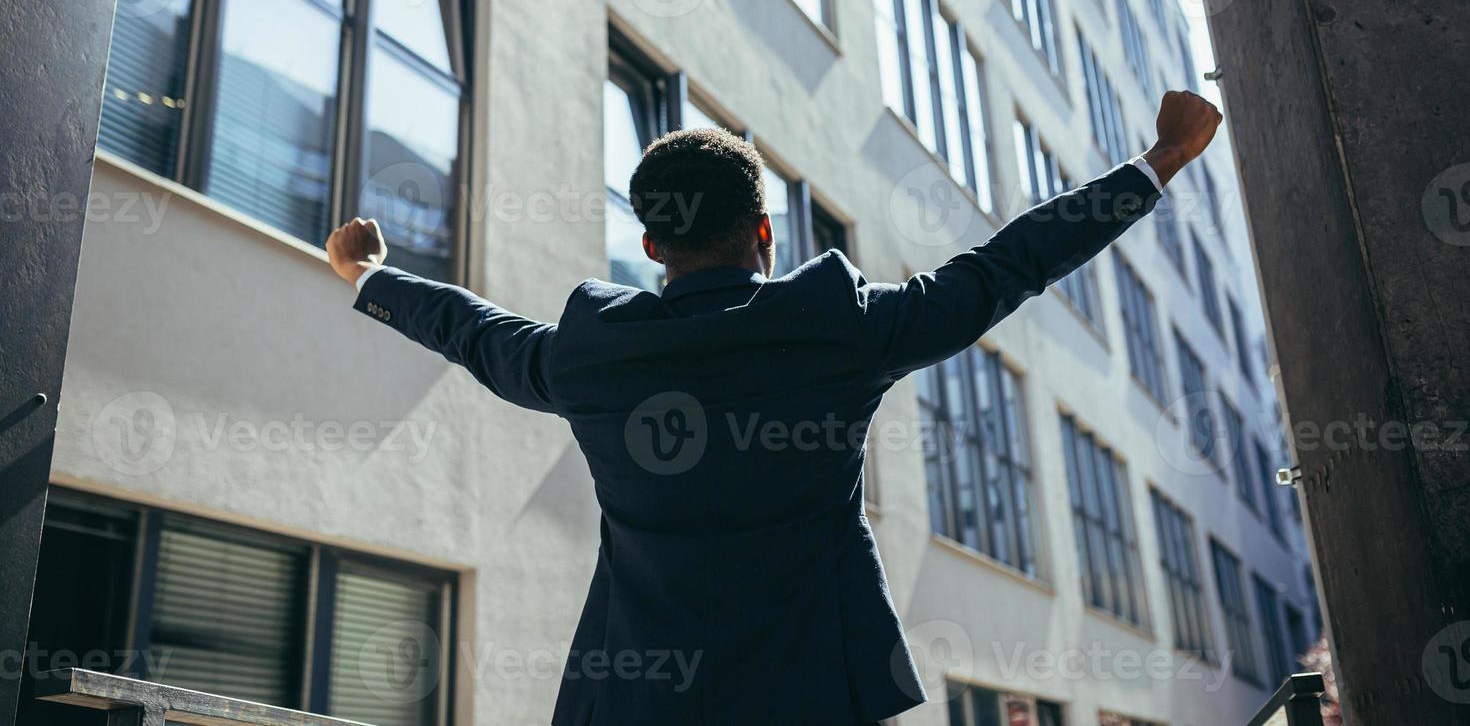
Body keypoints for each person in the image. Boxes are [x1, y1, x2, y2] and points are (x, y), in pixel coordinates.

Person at [326, 90, 1223, 725]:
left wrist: (371, 276)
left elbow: (477, 333)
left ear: (650, 245)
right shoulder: (839, 327)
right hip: (818, 694)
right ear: (765, 233)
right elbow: (1002, 269)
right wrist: (1157, 162)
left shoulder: (593, 353)